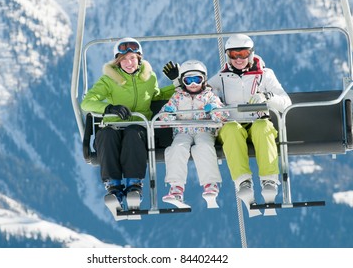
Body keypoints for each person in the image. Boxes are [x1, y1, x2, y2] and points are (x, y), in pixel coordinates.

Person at [80, 37, 175, 217]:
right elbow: (87, 103)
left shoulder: (149, 77)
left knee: (134, 133)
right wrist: (109, 108)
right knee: (105, 135)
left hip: (139, 127)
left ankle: (134, 185)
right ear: (118, 62)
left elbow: (156, 96)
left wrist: (177, 83)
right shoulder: (109, 80)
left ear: (139, 58)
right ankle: (114, 186)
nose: (128, 63)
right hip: (115, 126)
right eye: (123, 59)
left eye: (132, 58)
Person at [208, 34, 292, 217]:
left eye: (243, 54)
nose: (238, 59)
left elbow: (286, 102)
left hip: (257, 121)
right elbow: (198, 93)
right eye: (233, 54)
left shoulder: (265, 75)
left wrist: (267, 98)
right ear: (227, 56)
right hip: (233, 123)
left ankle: (269, 181)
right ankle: (243, 182)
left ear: (251, 54)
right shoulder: (221, 78)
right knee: (230, 130)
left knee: (263, 127)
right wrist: (213, 104)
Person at [159, 60, 229, 209]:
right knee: (177, 148)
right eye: (188, 80)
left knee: (203, 146)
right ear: (182, 82)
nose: (193, 84)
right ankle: (176, 187)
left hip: (204, 130)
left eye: (197, 79)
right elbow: (162, 117)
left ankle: (210, 184)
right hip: (182, 131)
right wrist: (169, 115)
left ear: (204, 80)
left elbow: (223, 116)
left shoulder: (209, 96)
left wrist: (213, 110)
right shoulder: (177, 97)